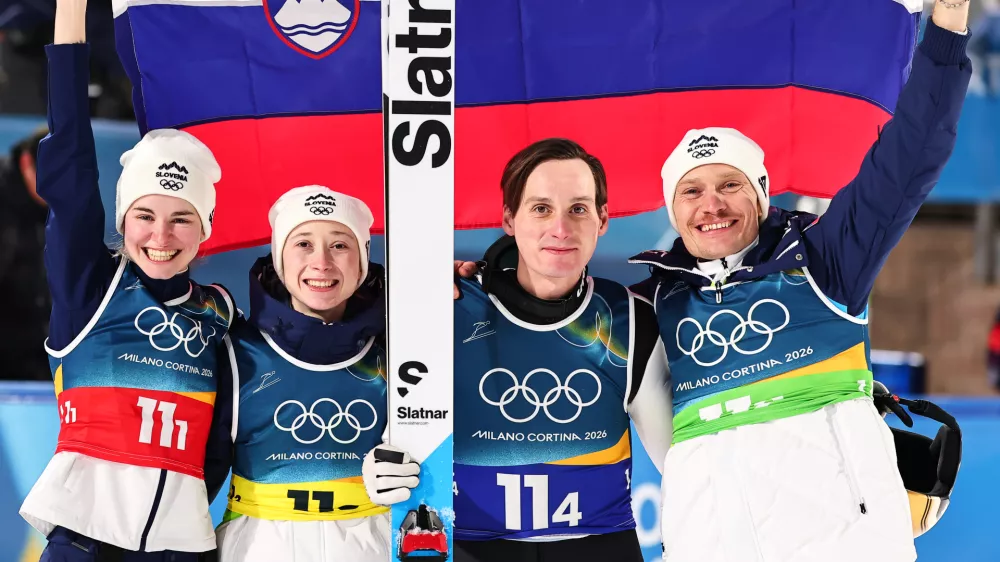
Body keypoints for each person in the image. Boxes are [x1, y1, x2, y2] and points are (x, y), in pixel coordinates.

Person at [623, 4, 972, 561]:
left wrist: (948, 31)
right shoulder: (648, 305)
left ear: (761, 196)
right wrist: (465, 282)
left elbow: (909, 157)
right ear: (674, 211)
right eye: (690, 192)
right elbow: (544, 318)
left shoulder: (826, 260)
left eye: (730, 185)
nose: (711, 204)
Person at [18, 0, 236, 558]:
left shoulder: (221, 312)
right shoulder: (89, 287)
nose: (161, 235)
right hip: (81, 543)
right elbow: (68, 162)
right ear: (121, 220)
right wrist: (69, 10)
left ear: (205, 229)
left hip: (179, 546)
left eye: (182, 217)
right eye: (144, 215)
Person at [443, 138, 672, 561]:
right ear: (509, 219)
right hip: (475, 546)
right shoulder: (449, 306)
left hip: (600, 545)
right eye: (541, 208)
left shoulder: (630, 320)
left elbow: (680, 465)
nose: (561, 229)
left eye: (579, 209)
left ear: (603, 220)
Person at [215, 186, 418, 562]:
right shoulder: (235, 351)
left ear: (362, 261)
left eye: (340, 245)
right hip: (258, 547)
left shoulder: (403, 351)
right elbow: (196, 481)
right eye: (303, 244)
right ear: (279, 258)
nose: (321, 262)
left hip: (373, 546)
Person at [0, 127, 51, 381]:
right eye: (48, 177)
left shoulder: (61, 205)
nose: (55, 188)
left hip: (40, 348)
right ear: (25, 162)